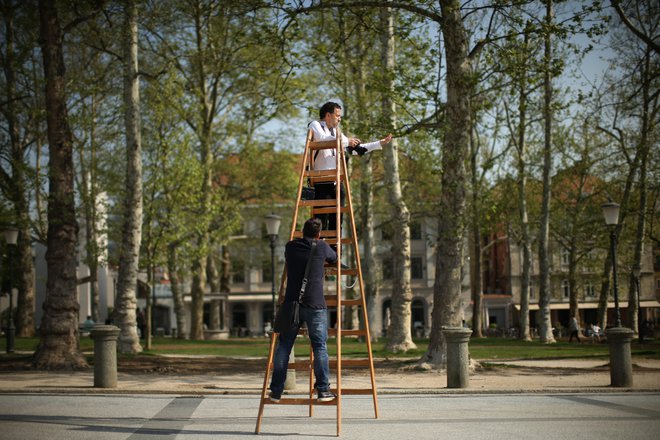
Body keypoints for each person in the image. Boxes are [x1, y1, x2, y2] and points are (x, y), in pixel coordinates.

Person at [269, 218, 338, 403]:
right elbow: (335, 258)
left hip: (292, 304)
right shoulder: (322, 246)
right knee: (320, 347)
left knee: (284, 346)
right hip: (315, 304)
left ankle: (276, 391)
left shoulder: (290, 247)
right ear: (318, 234)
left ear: (301, 231)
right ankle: (323, 390)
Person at [308, 101, 392, 233]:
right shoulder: (315, 125)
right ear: (328, 115)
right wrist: (347, 141)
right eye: (337, 115)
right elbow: (322, 139)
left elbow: (354, 149)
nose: (339, 118)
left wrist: (378, 143)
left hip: (336, 182)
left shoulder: (336, 133)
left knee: (337, 223)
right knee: (320, 222)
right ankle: (320, 250)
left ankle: (334, 253)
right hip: (321, 182)